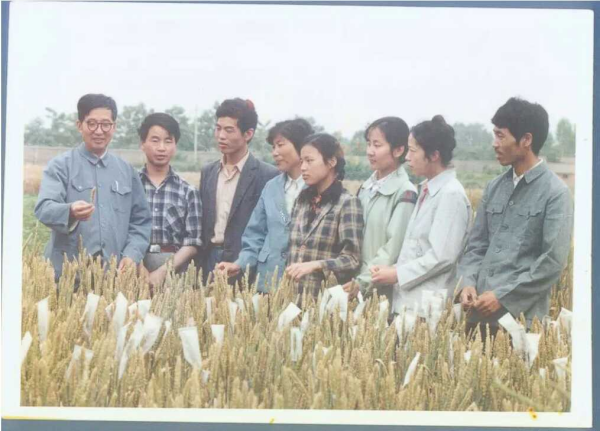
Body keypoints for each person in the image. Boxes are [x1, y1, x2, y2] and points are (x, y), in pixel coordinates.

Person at [457, 97, 573, 335]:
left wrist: (503, 297)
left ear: (526, 140)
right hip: (476, 316)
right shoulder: (493, 187)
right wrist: (467, 282)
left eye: (501, 136)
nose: (494, 144)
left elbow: (552, 261)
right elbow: (476, 246)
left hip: (520, 322)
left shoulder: (556, 193)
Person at [35, 94, 151, 282]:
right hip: (67, 278)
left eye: (106, 124)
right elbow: (43, 208)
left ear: (114, 127)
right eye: (91, 124)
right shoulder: (60, 166)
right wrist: (70, 211)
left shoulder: (127, 171)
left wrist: (132, 254)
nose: (99, 131)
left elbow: (141, 221)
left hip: (113, 278)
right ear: (79, 125)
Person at [370, 115, 471, 320]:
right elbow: (418, 249)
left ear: (434, 155)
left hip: (427, 309)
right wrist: (392, 270)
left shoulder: (450, 194)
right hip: (408, 303)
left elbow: (442, 256)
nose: (407, 157)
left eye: (413, 151)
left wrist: (396, 274)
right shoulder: (427, 189)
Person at [216, 118, 314, 292]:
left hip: (306, 284)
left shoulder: (318, 188)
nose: (275, 153)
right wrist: (240, 263)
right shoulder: (271, 187)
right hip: (269, 281)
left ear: (302, 147)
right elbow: (255, 233)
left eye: (280, 145)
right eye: (273, 147)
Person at [199, 98, 279, 281]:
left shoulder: (267, 175)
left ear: (248, 134)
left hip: (246, 265)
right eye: (218, 128)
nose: (221, 136)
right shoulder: (208, 172)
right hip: (209, 262)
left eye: (229, 130)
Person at [343, 117, 418, 304]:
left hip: (379, 291)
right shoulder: (365, 188)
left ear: (398, 150)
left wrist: (363, 281)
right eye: (368, 144)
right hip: (352, 285)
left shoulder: (405, 192)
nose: (370, 151)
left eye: (377, 145)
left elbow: (393, 248)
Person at [285, 133, 364, 297]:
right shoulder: (302, 201)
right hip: (291, 298)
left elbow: (352, 259)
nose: (303, 167)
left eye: (309, 161)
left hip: (324, 300)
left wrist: (317, 265)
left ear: (331, 162)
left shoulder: (347, 203)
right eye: (301, 161)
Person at [138, 113, 202, 289]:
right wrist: (138, 268)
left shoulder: (188, 191)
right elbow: (121, 233)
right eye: (155, 140)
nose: (161, 148)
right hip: (135, 266)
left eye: (168, 141)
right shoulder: (130, 187)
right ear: (142, 144)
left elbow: (193, 242)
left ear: (175, 145)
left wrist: (162, 272)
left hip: (175, 269)